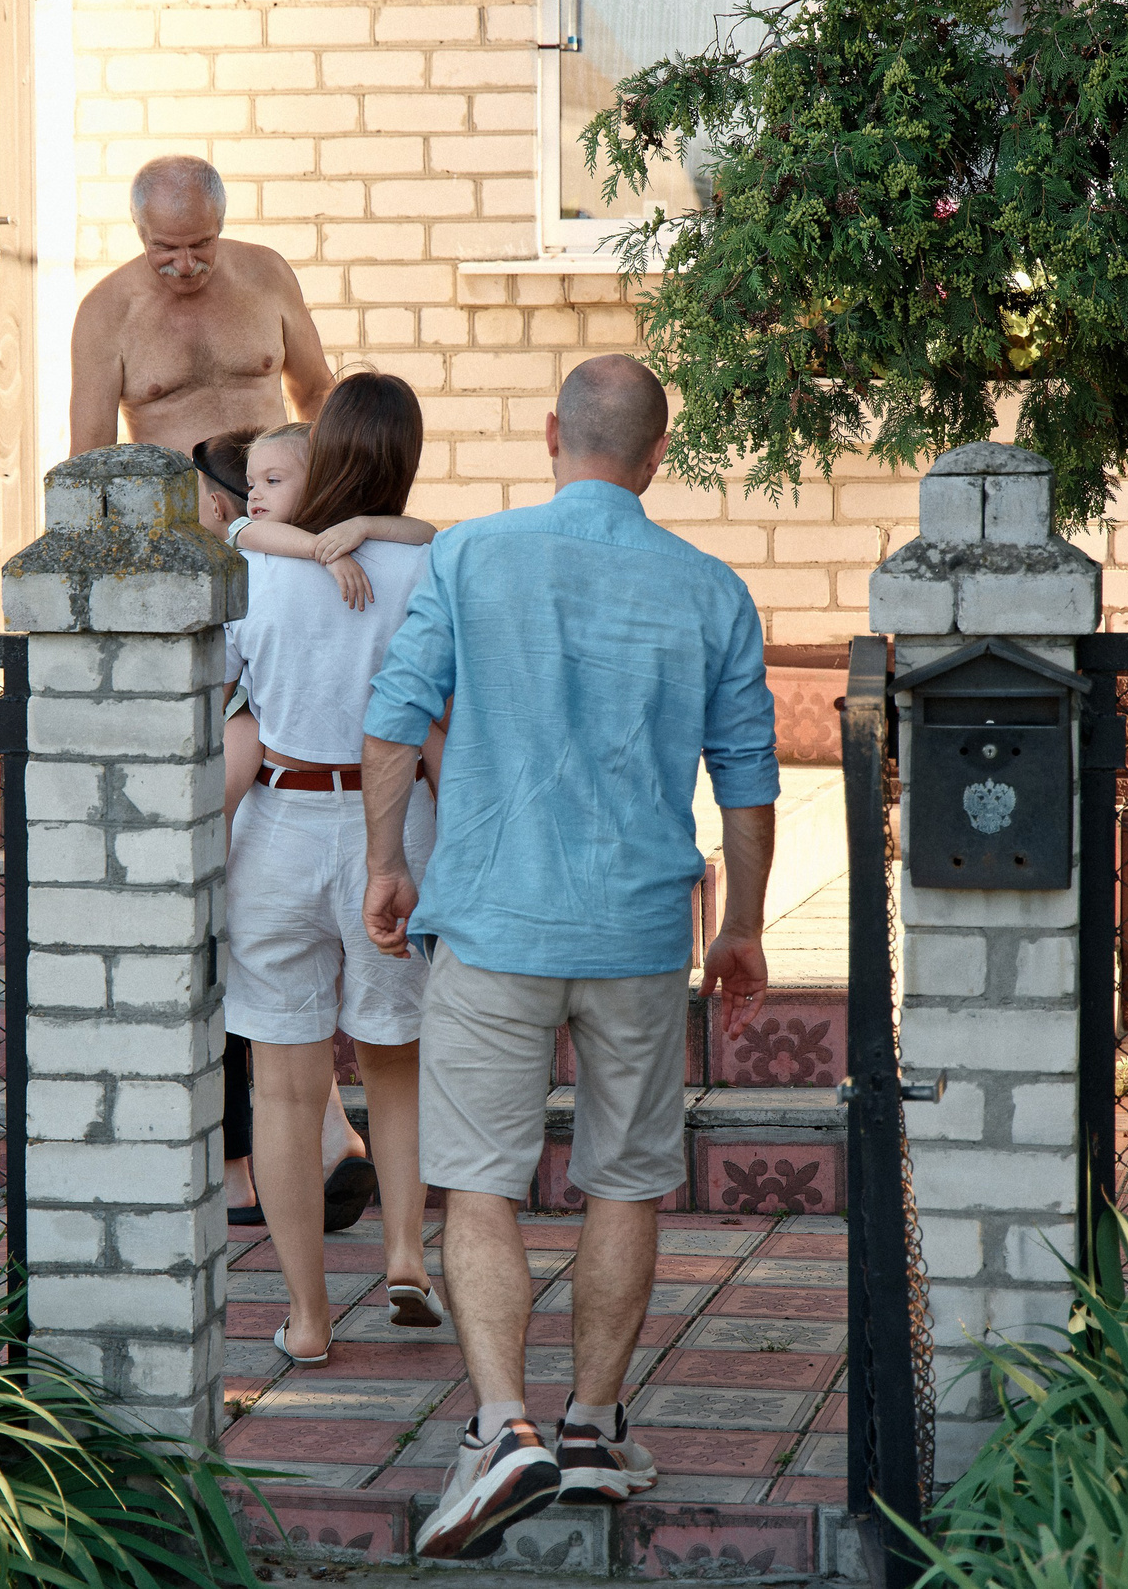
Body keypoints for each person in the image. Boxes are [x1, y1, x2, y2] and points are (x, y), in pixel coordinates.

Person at [358, 355, 779, 1560]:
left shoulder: (468, 556)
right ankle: (590, 1427)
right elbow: (744, 775)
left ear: (552, 435)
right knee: (624, 1177)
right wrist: (742, 923)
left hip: (492, 918)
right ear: (655, 458)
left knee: (479, 1181)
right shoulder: (711, 589)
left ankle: (503, 1428)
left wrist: (387, 858)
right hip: (639, 931)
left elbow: (395, 714)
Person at [224, 376, 448, 1368]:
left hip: (279, 816)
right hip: (392, 824)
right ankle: (405, 1255)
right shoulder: (429, 565)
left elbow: (230, 695)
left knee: (283, 1085)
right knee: (393, 1062)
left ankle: (308, 1316)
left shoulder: (255, 566)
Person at [195, 426, 382, 1232]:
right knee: (308, 1039)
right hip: (337, 818)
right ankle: (339, 1145)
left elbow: (239, 759)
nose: (249, 496)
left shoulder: (255, 584)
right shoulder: (272, 561)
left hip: (284, 822)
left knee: (275, 1044)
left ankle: (260, 1176)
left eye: (276, 478)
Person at [70, 155, 333, 455]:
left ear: (219, 224)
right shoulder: (105, 311)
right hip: (174, 502)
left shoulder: (267, 274)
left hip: (275, 498)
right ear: (140, 230)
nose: (185, 265)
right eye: (165, 247)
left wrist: (328, 492)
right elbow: (89, 458)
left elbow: (316, 393)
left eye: (201, 244)